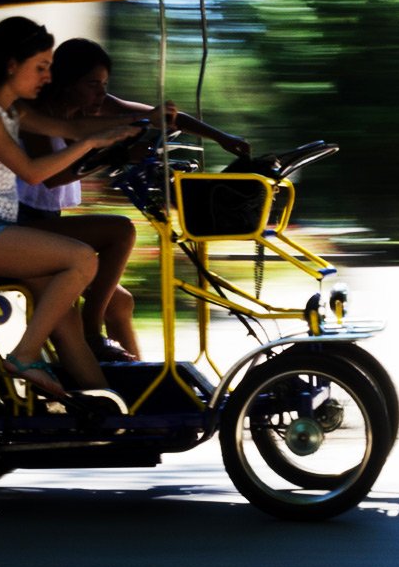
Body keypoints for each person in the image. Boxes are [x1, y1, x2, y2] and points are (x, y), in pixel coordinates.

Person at [0, 16, 169, 400]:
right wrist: (93, 143)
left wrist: (139, 122)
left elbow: (76, 130)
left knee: (68, 323)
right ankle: (25, 355)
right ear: (11, 64)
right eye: (41, 67)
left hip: (3, 233)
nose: (48, 77)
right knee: (82, 260)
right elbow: (32, 173)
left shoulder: (13, 111)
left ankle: (111, 416)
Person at [18, 38, 249, 361]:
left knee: (121, 301)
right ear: (67, 83)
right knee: (121, 231)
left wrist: (222, 137)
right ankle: (90, 330)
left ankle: (138, 383)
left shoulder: (94, 106)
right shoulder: (40, 117)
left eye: (104, 85)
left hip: (49, 222)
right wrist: (111, 151)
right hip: (24, 225)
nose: (100, 94)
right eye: (92, 85)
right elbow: (53, 176)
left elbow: (165, 118)